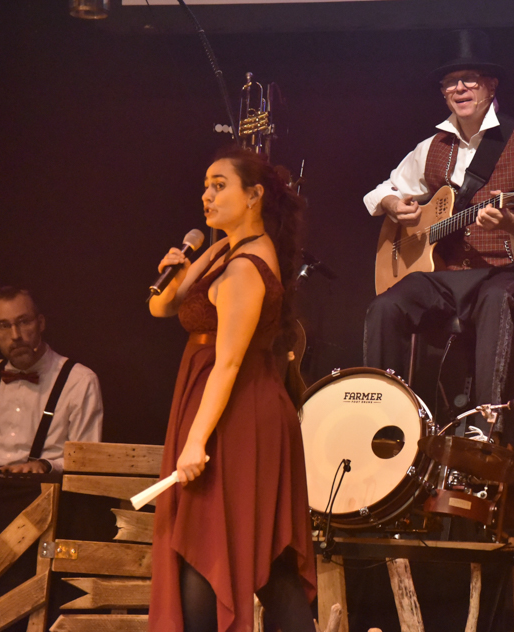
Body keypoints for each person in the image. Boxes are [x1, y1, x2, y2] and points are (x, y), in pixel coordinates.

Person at [147, 146, 315, 632]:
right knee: (262, 555)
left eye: (220, 185)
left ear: (255, 195)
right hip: (216, 405)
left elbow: (230, 363)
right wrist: (177, 270)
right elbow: (161, 307)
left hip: (239, 412)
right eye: (205, 184)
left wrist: (196, 442)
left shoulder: (245, 267)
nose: (207, 195)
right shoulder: (221, 248)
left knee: (208, 545)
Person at [363, 29, 514, 433]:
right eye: (451, 82)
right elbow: (381, 191)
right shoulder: (430, 147)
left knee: (495, 299)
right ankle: (383, 418)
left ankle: (485, 427)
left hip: (508, 271)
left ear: (491, 85)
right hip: (444, 277)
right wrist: (390, 204)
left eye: (469, 79)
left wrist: (512, 222)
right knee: (385, 307)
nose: (460, 88)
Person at [0, 286, 103, 474]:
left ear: (41, 323)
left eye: (24, 322)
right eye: (4, 326)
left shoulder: (80, 381)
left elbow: (85, 460)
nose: (15, 336)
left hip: (47, 493)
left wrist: (46, 465)